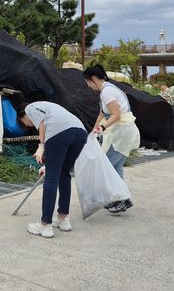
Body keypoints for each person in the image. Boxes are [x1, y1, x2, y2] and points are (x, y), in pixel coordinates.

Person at [16, 101, 87, 238]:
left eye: (24, 122)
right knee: (64, 173)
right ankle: (63, 219)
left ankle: (45, 225)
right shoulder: (50, 107)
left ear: (23, 115)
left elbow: (42, 123)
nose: (28, 125)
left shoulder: (29, 108)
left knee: (52, 177)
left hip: (60, 133)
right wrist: (49, 165)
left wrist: (41, 146)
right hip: (80, 133)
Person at [83, 64, 139, 213]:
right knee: (116, 167)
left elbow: (116, 114)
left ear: (94, 79)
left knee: (107, 167)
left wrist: (102, 128)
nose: (88, 86)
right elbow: (102, 114)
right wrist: (94, 131)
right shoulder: (108, 89)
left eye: (88, 82)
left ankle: (122, 199)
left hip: (121, 133)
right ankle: (117, 199)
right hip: (121, 132)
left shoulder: (107, 92)